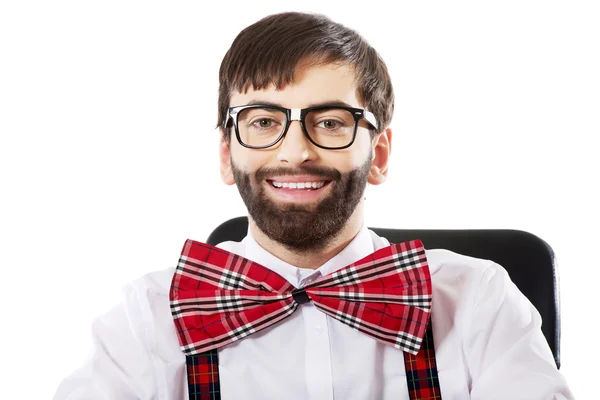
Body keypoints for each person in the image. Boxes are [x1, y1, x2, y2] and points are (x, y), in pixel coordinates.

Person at [54, 11, 573, 400]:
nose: (296, 150)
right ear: (225, 154)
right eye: (262, 121)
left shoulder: (479, 301)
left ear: (379, 154)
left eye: (330, 122)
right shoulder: (150, 315)